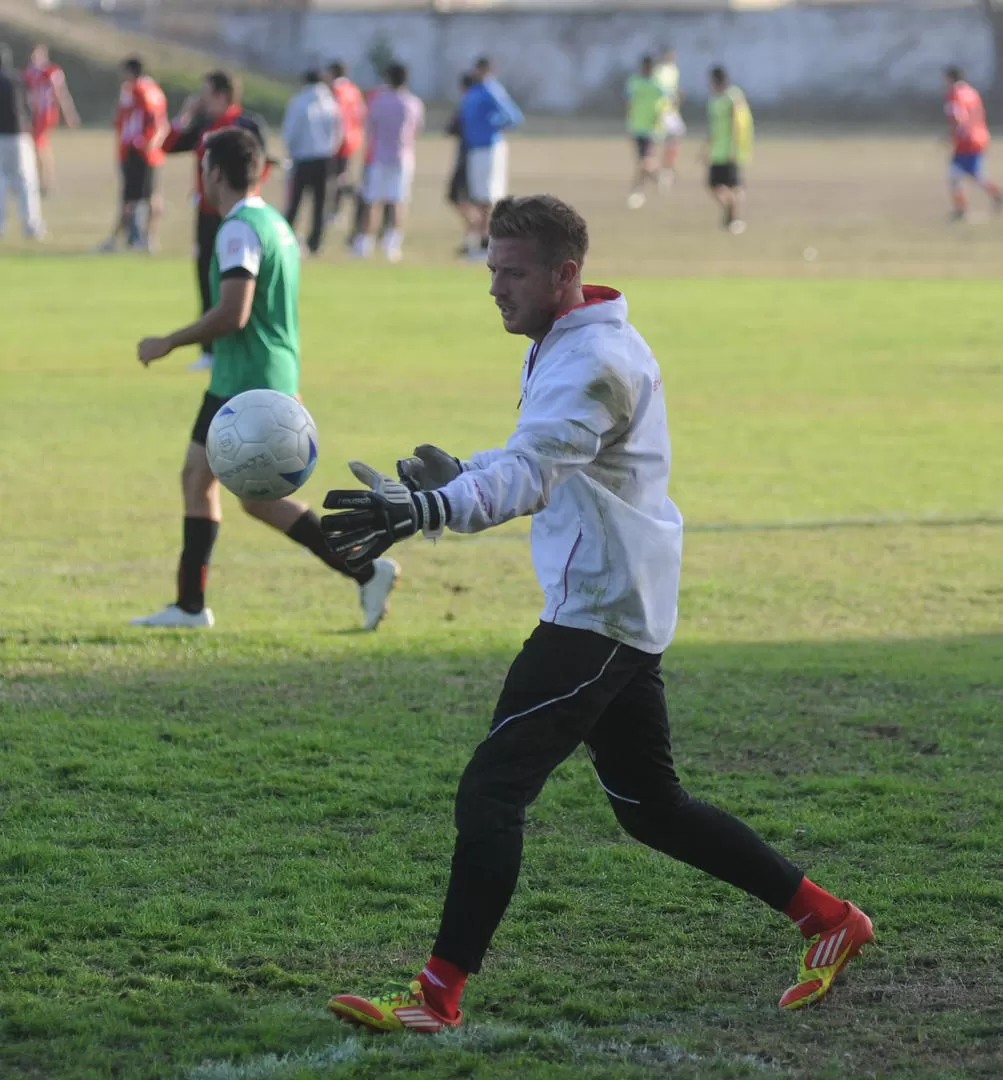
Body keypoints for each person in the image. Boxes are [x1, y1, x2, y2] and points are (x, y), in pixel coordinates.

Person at [320, 194, 874, 1032]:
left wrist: (430, 509)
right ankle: (828, 920)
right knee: (650, 808)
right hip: (620, 597)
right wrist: (456, 471)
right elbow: (535, 456)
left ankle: (437, 998)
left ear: (564, 274)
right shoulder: (568, 339)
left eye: (511, 272)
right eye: (490, 269)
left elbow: (532, 475)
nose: (494, 288)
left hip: (598, 613)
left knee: (491, 793)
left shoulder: (594, 362)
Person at [132, 126, 399, 632]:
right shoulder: (272, 221)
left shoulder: (236, 229)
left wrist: (169, 341)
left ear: (214, 172)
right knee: (230, 489)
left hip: (247, 384)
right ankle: (363, 569)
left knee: (215, 484)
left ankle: (194, 606)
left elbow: (235, 311)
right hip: (256, 375)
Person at [163, 70, 269, 373]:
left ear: (222, 95)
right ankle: (209, 350)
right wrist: (185, 115)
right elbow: (167, 146)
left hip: (239, 214)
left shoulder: (247, 124)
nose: (201, 98)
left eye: (206, 93)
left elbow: (261, 164)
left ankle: (240, 346)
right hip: (208, 215)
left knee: (240, 283)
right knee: (208, 278)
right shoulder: (204, 125)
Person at [352, 62, 424, 263]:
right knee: (398, 201)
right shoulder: (413, 103)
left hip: (379, 156)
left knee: (373, 200)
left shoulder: (379, 102)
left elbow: (369, 129)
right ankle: (392, 243)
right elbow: (417, 129)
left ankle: (364, 242)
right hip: (403, 157)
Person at [96, 57, 168, 254]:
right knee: (151, 196)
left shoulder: (135, 90)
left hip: (137, 149)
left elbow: (128, 119)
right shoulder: (155, 90)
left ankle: (114, 240)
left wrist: (142, 140)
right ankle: (148, 239)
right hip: (152, 151)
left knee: (130, 199)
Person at [458, 56, 523, 258]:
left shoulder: (491, 90)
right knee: (478, 196)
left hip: (489, 147)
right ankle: (480, 240)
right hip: (475, 147)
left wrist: (491, 125)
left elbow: (513, 116)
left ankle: (488, 242)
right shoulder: (475, 91)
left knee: (487, 196)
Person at [282, 69, 341, 255]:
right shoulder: (331, 103)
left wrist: (291, 151)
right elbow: (338, 131)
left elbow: (290, 132)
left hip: (303, 157)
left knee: (294, 202)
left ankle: (285, 237)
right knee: (320, 203)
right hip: (325, 158)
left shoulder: (299, 102)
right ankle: (315, 242)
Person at [943, 66, 1002, 221]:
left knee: (961, 174)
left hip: (966, 140)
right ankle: (962, 207)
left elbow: (957, 115)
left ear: (949, 78)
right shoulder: (971, 92)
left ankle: (963, 208)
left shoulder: (954, 93)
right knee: (963, 173)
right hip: (979, 136)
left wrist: (952, 134)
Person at [0, 42, 44, 240]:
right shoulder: (18, 79)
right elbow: (29, 107)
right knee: (26, 182)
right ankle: (31, 226)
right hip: (19, 136)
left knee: (1, 182)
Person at [23, 43, 79, 196]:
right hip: (33, 113)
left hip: (46, 112)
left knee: (39, 145)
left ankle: (46, 182)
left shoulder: (51, 71)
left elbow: (61, 93)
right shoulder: (28, 73)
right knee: (37, 146)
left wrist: (69, 114)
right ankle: (43, 181)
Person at [704, 65, 753, 234]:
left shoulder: (733, 96)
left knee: (734, 185)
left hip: (731, 149)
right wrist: (706, 148)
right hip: (718, 150)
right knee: (713, 185)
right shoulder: (713, 100)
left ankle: (735, 218)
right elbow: (713, 127)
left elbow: (738, 122)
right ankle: (731, 211)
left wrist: (735, 145)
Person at [326, 61, 366, 225]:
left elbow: (333, 115)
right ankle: (335, 211)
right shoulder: (353, 90)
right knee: (340, 176)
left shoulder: (335, 91)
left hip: (337, 139)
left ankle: (357, 197)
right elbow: (361, 113)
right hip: (352, 139)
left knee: (335, 178)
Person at [625, 55, 666, 210]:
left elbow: (667, 102)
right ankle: (640, 189)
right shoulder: (634, 82)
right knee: (642, 161)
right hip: (637, 126)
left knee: (645, 160)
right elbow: (628, 102)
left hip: (652, 128)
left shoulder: (657, 84)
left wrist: (661, 118)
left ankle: (656, 178)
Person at [446, 72, 475, 251]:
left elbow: (451, 127)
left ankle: (474, 231)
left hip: (467, 157)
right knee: (465, 198)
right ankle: (472, 234)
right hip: (470, 156)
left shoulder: (467, 104)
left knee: (458, 196)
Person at [653, 47, 685, 191]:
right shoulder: (659, 71)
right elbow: (658, 91)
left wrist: (678, 96)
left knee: (676, 137)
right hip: (661, 111)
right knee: (657, 142)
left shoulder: (674, 70)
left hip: (671, 111)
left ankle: (666, 169)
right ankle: (661, 171)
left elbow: (673, 90)